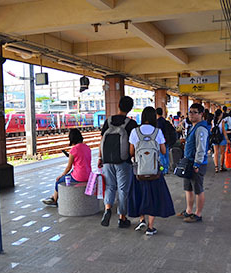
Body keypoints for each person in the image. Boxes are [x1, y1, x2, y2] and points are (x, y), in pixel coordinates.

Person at [128, 107, 175, 235]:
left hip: (139, 172)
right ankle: (150, 227)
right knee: (153, 197)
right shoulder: (157, 132)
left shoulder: (134, 132)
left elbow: (131, 152)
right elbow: (164, 151)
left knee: (140, 194)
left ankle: (142, 219)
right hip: (154, 172)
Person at [99, 96, 138, 228]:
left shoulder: (108, 121)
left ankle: (108, 209)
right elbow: (134, 144)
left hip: (107, 161)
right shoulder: (131, 124)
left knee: (110, 186)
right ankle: (122, 218)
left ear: (118, 106)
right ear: (130, 108)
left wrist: (100, 158)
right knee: (123, 190)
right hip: (123, 161)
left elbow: (101, 142)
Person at [177, 103, 210, 223]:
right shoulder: (192, 127)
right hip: (188, 162)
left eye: (194, 112)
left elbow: (201, 148)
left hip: (197, 164)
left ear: (201, 114)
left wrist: (197, 164)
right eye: (189, 112)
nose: (191, 114)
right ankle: (189, 210)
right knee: (188, 188)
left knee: (198, 189)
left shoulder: (201, 128)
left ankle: (198, 214)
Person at [42, 129, 91, 207]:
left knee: (59, 181)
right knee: (71, 173)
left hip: (79, 177)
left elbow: (68, 168)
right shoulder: (87, 147)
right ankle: (52, 197)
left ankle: (54, 199)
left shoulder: (73, 150)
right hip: (89, 175)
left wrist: (61, 176)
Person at [156, 107, 175, 174]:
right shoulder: (166, 121)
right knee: (166, 155)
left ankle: (163, 169)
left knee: (161, 156)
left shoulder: (158, 122)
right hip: (167, 140)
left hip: (161, 141)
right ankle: (166, 168)